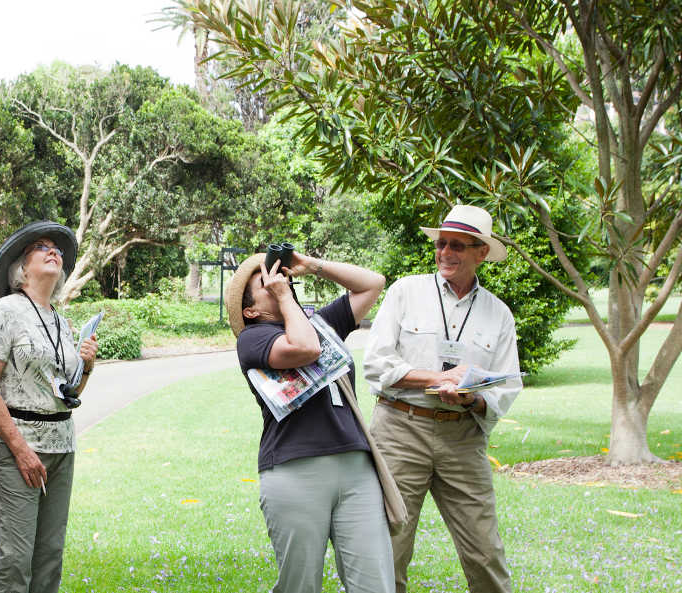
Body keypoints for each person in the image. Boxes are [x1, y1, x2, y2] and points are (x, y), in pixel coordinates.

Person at [223, 250, 405, 593]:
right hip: (295, 469)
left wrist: (313, 266)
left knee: (375, 584)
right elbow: (306, 348)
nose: (280, 280)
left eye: (283, 276)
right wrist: (285, 297)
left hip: (356, 468)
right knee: (300, 586)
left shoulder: (321, 323)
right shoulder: (253, 339)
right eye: (266, 281)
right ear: (251, 310)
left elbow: (372, 284)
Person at [364, 205, 522, 593]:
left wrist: (470, 399)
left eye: (457, 246)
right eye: (441, 244)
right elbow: (376, 364)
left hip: (463, 436)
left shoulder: (498, 314)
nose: (445, 253)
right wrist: (438, 378)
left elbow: (507, 385)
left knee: (485, 552)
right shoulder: (406, 291)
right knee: (390, 545)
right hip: (400, 430)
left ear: (481, 253)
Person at [0, 221, 98, 593]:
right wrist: (21, 450)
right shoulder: (4, 312)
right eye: (42, 247)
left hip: (61, 446)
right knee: (13, 558)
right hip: (17, 448)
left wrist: (86, 365)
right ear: (21, 269)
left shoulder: (60, 321)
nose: (53, 251)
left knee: (49, 556)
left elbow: (69, 392)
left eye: (57, 248)